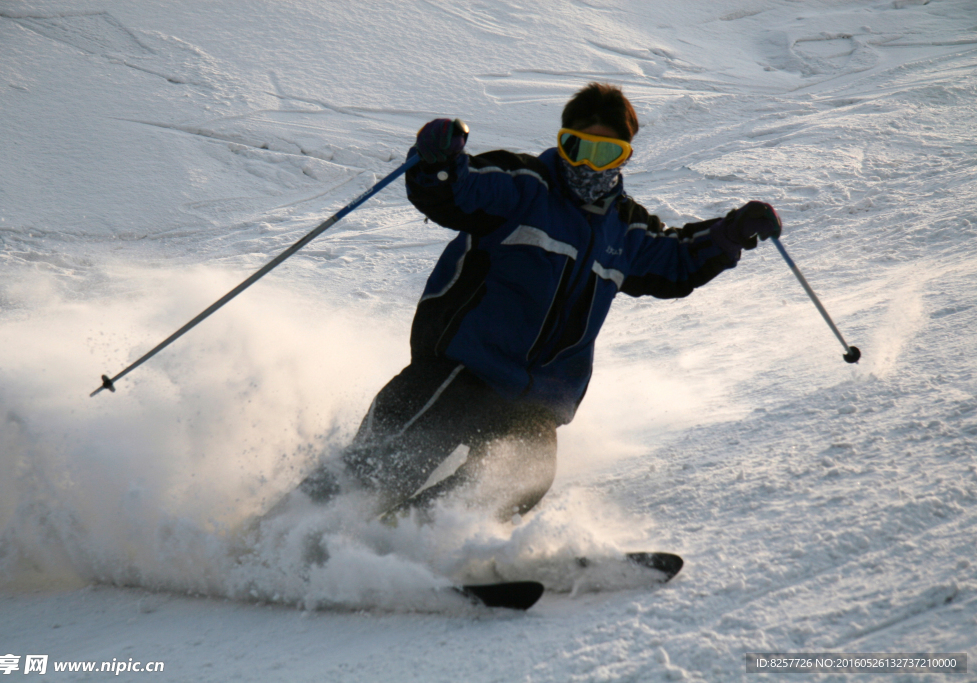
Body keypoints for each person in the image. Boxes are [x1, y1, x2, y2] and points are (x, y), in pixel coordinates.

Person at [261, 82, 781, 528]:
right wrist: (439, 165)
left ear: (625, 158)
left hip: (537, 400)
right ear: (562, 143)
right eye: (578, 149)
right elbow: (456, 193)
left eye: (607, 154)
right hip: (458, 372)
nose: (589, 166)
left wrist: (729, 233)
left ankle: (411, 542)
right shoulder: (522, 186)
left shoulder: (627, 230)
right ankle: (273, 538)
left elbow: (677, 263)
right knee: (386, 464)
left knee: (520, 480)